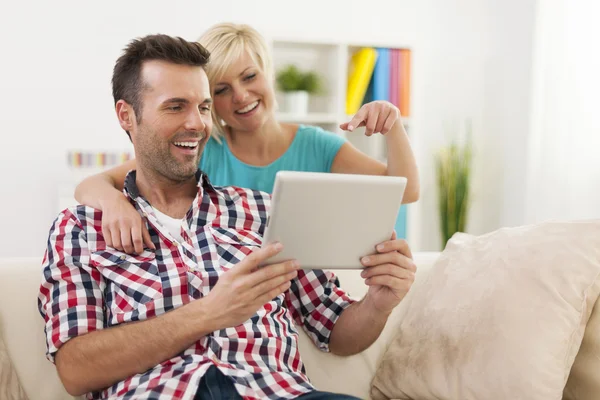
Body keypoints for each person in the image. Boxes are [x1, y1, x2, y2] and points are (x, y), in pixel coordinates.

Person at [38, 34, 416, 400]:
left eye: (202, 107)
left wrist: (378, 303)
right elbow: (75, 370)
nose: (197, 123)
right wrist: (209, 313)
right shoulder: (81, 229)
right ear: (127, 116)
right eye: (175, 106)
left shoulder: (263, 210)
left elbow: (335, 328)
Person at [74, 23, 420, 256]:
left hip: (298, 289)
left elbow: (405, 190)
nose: (240, 96)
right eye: (222, 90)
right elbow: (92, 184)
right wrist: (116, 203)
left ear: (267, 73)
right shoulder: (202, 150)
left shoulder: (318, 145)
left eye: (250, 77)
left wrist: (393, 125)